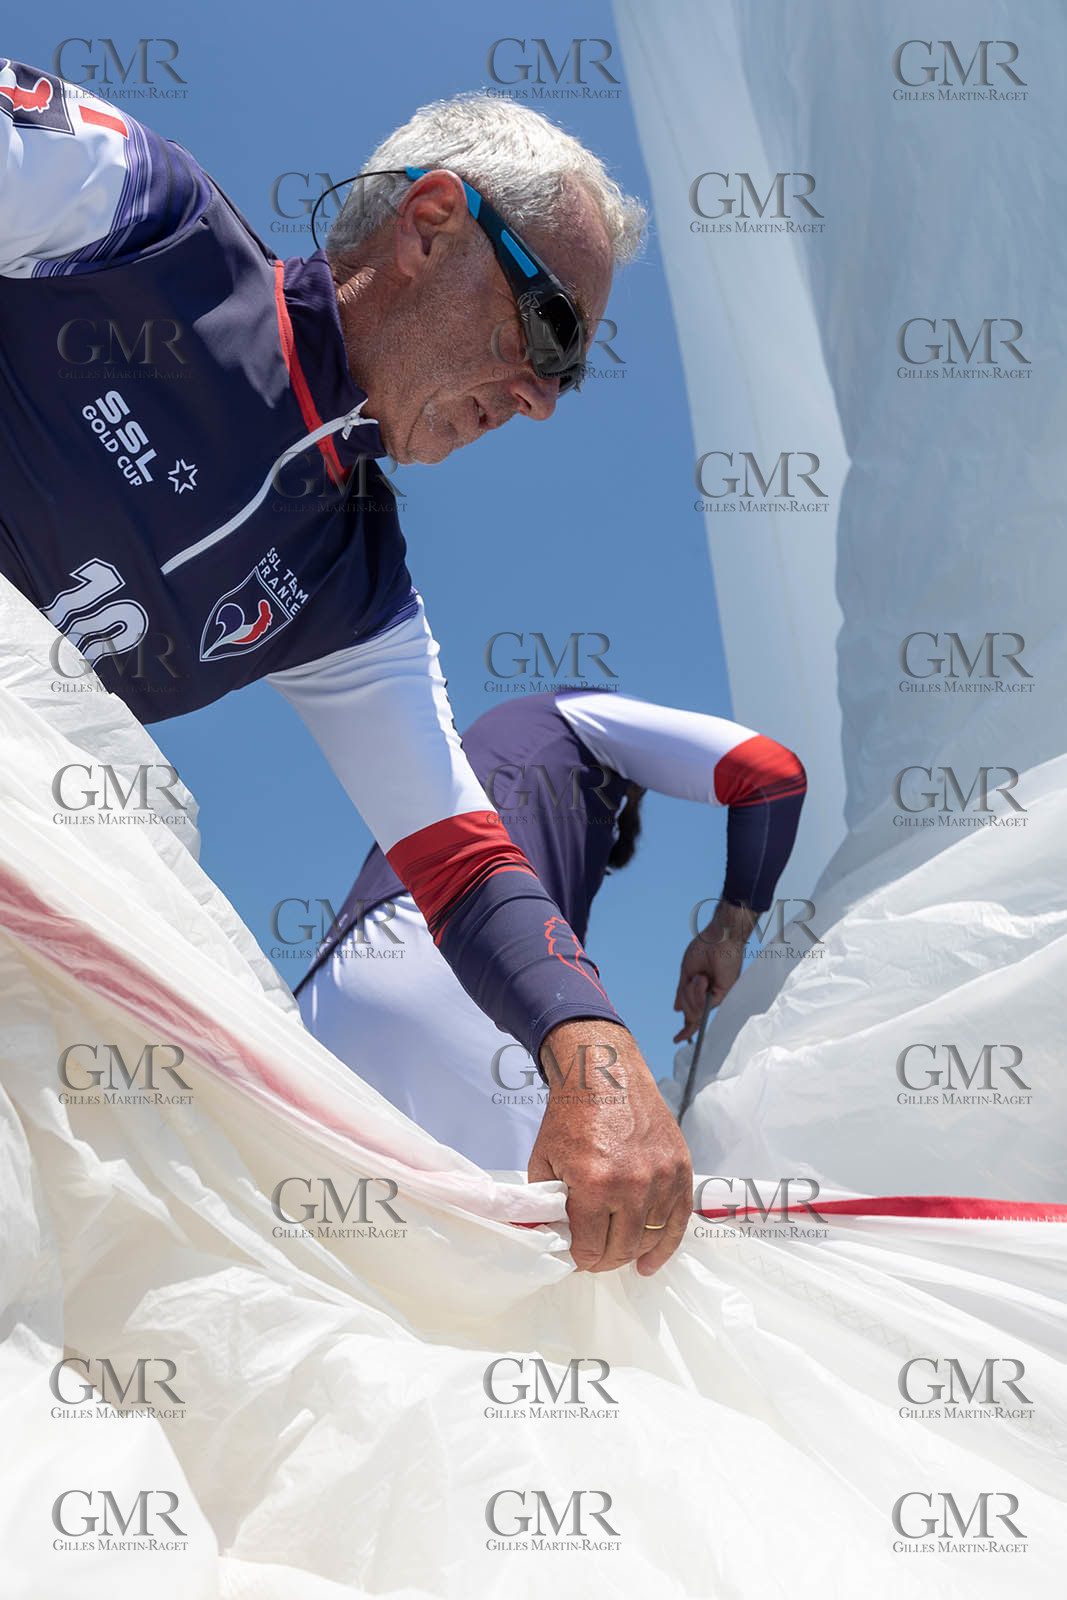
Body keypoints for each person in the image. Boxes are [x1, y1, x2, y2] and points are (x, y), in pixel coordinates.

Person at [0, 55, 695, 1275]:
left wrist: (599, 1057)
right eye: (545, 329)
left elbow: (463, 860)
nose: (539, 398)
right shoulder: (133, 217)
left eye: (570, 375)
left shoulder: (348, 579)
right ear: (430, 224)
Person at [297, 690, 806, 1167]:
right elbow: (770, 773)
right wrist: (727, 933)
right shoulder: (574, 713)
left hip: (329, 996)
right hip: (473, 981)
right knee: (557, 1245)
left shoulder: (476, 753)